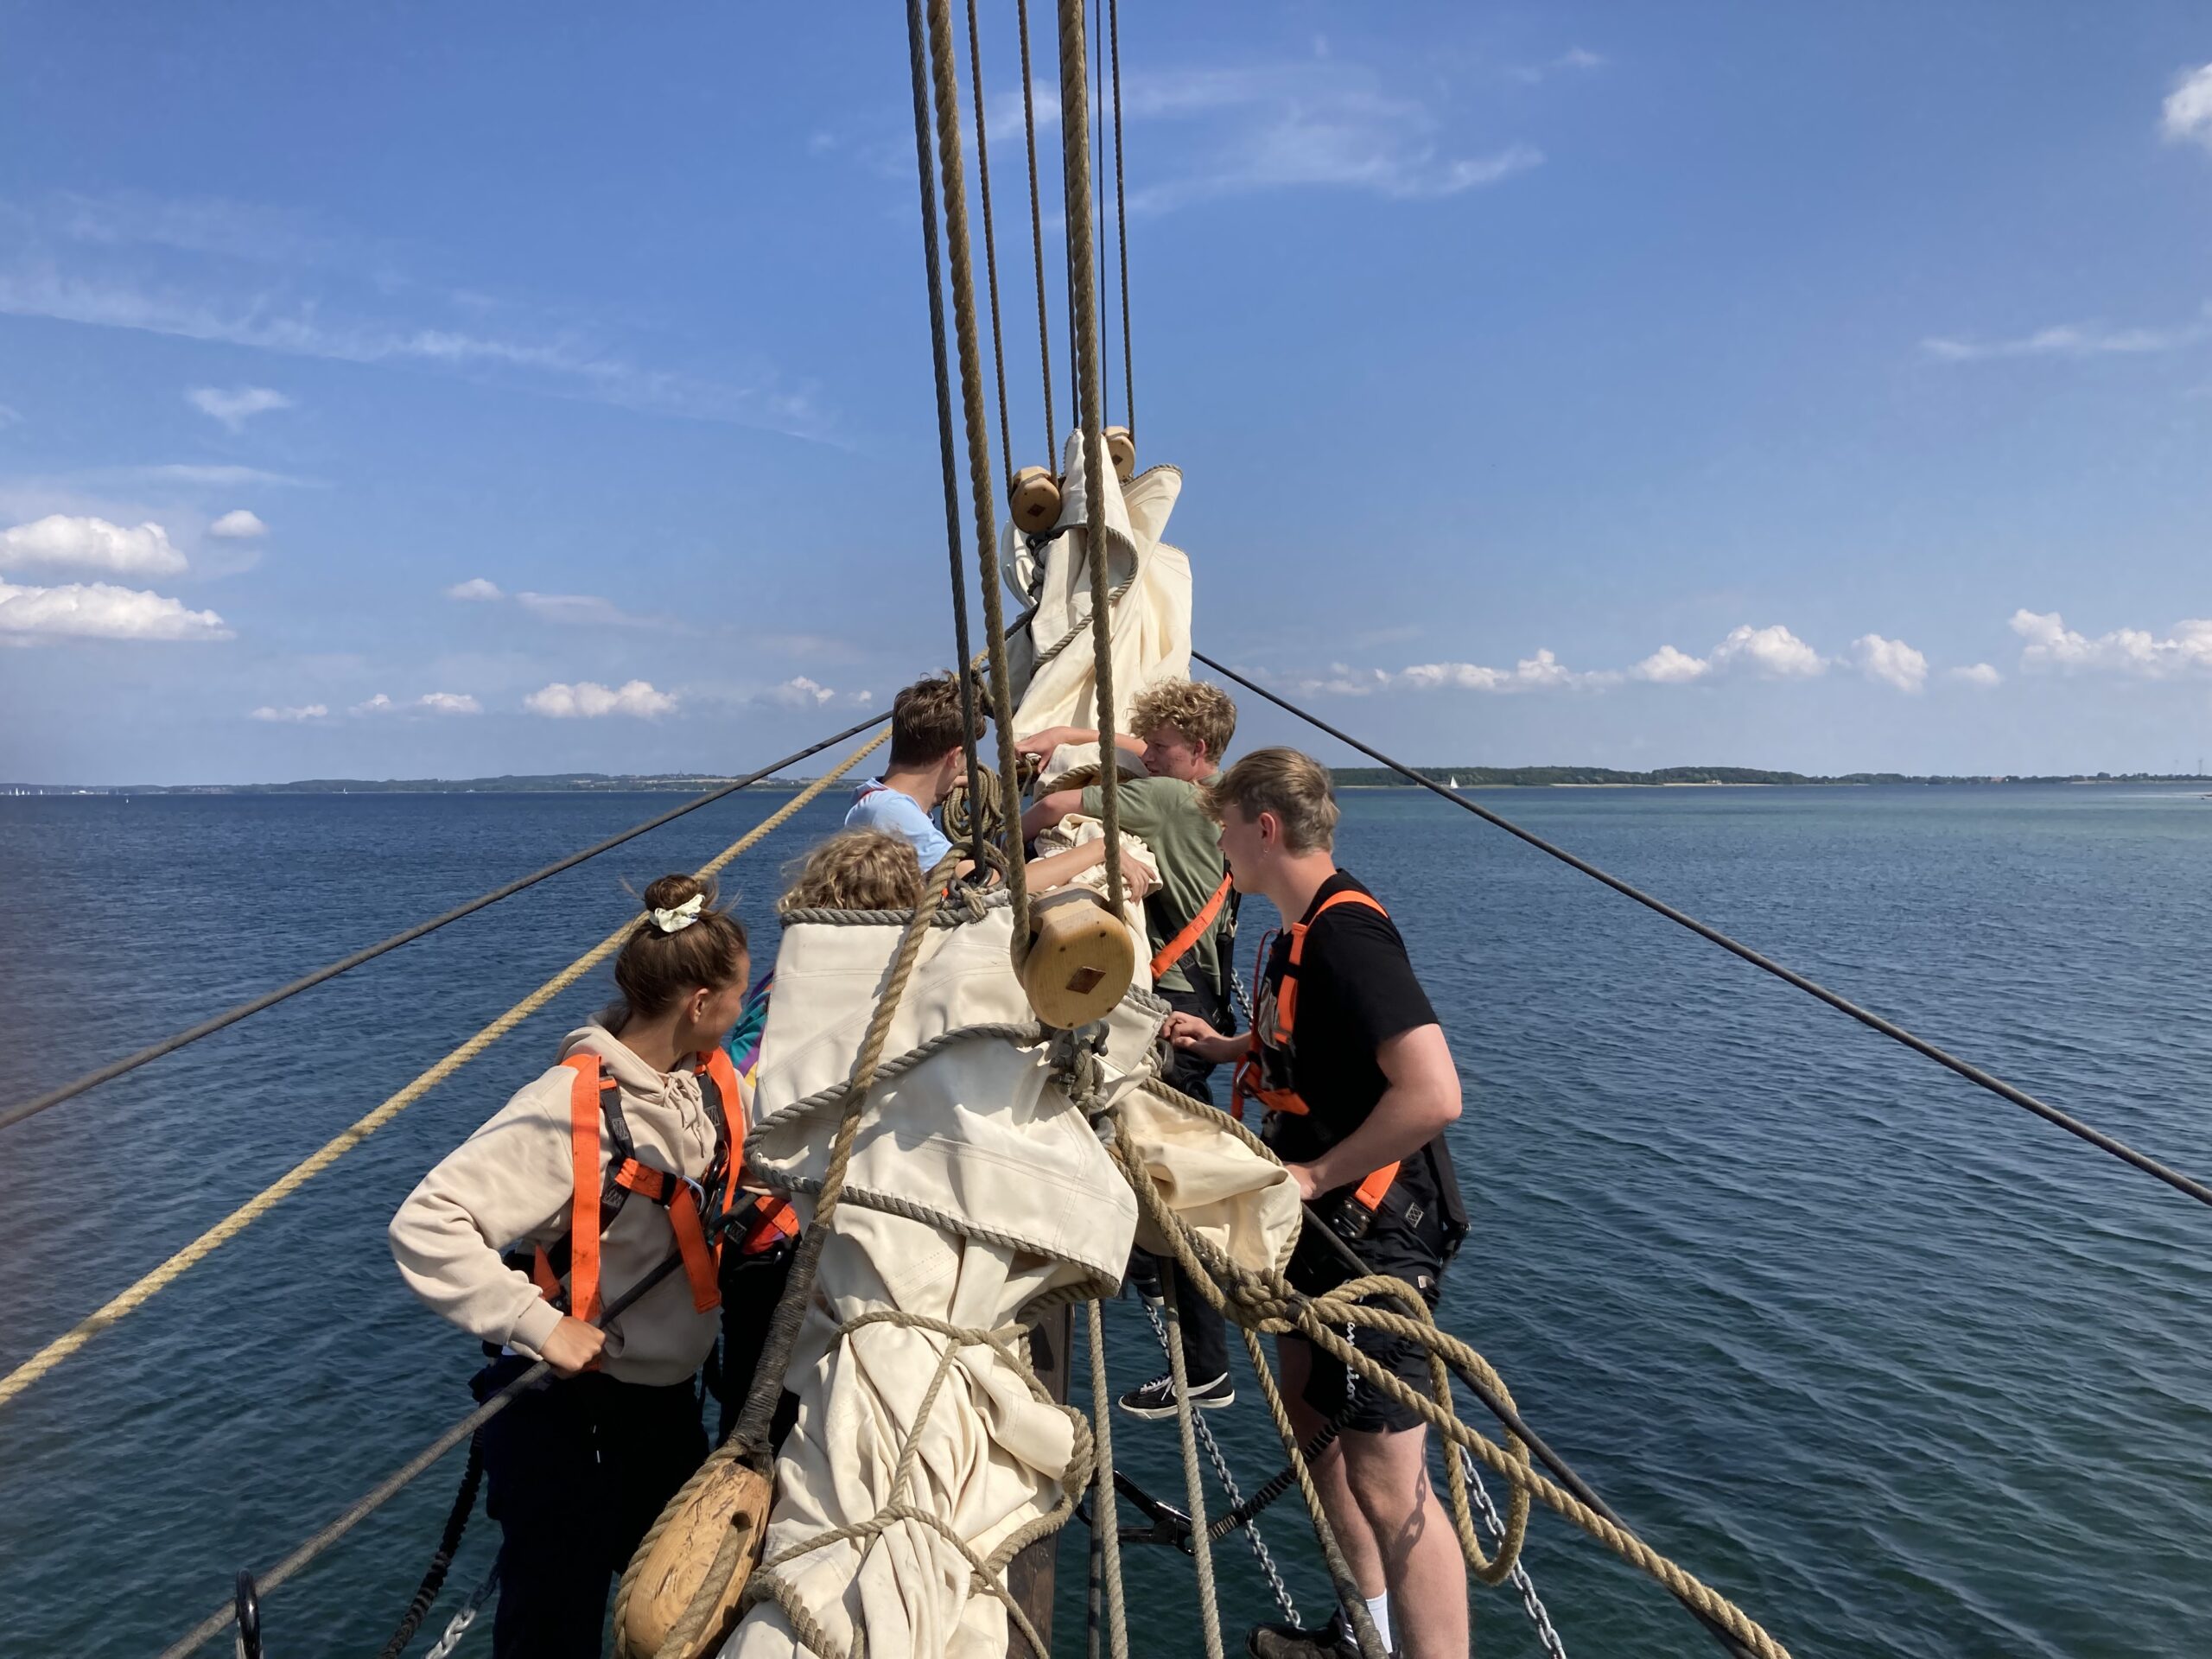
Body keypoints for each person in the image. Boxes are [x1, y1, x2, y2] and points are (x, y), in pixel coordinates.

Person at [389, 875, 774, 1658]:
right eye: (736, 994)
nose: (745, 1010)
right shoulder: (569, 1106)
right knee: (553, 1627)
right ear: (699, 1004)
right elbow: (426, 1223)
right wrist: (539, 1323)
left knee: (683, 1611)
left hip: (659, 1411)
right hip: (569, 1416)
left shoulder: (704, 1083)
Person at [1163, 750, 1471, 1659]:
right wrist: (1226, 1048)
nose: (1216, 844)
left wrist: (1316, 1173)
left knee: (1390, 1482)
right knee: (1308, 1411)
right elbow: (1308, 1040)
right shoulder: (1298, 934)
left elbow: (1432, 1093)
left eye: (1223, 827)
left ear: (1264, 828)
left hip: (1375, 1237)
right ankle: (1360, 1628)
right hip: (1325, 1229)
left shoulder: (1347, 935)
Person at [1019, 678, 1243, 1420]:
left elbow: (1053, 809)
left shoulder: (1172, 801)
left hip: (1169, 1011)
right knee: (1156, 1163)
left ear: (1198, 754)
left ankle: (1205, 1367)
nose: (1149, 757)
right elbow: (1127, 748)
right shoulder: (1210, 801)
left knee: (1160, 1173)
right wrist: (1066, 737)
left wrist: (1006, 847)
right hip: (1203, 995)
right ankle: (1152, 1265)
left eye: (1164, 749)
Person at [854, 670, 1149, 898]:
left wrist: (936, 791)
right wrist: (1099, 850)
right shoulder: (892, 816)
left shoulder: (873, 802)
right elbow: (990, 886)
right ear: (955, 756)